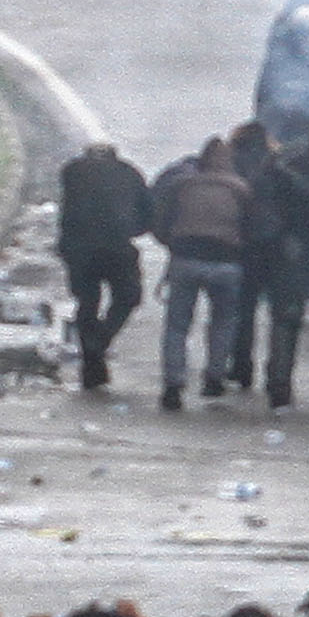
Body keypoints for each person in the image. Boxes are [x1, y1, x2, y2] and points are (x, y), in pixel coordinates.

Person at [150, 132, 250, 415]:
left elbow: (162, 221)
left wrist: (172, 244)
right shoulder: (241, 189)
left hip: (186, 259)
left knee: (177, 325)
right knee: (223, 321)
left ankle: (173, 383)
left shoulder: (183, 185)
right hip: (226, 262)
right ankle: (214, 377)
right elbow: (252, 227)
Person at [56, 140, 152, 392]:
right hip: (116, 247)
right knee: (128, 296)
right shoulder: (129, 173)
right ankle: (100, 340)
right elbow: (147, 214)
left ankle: (91, 358)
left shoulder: (72, 171)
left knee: (87, 301)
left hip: (78, 247)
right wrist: (130, 228)